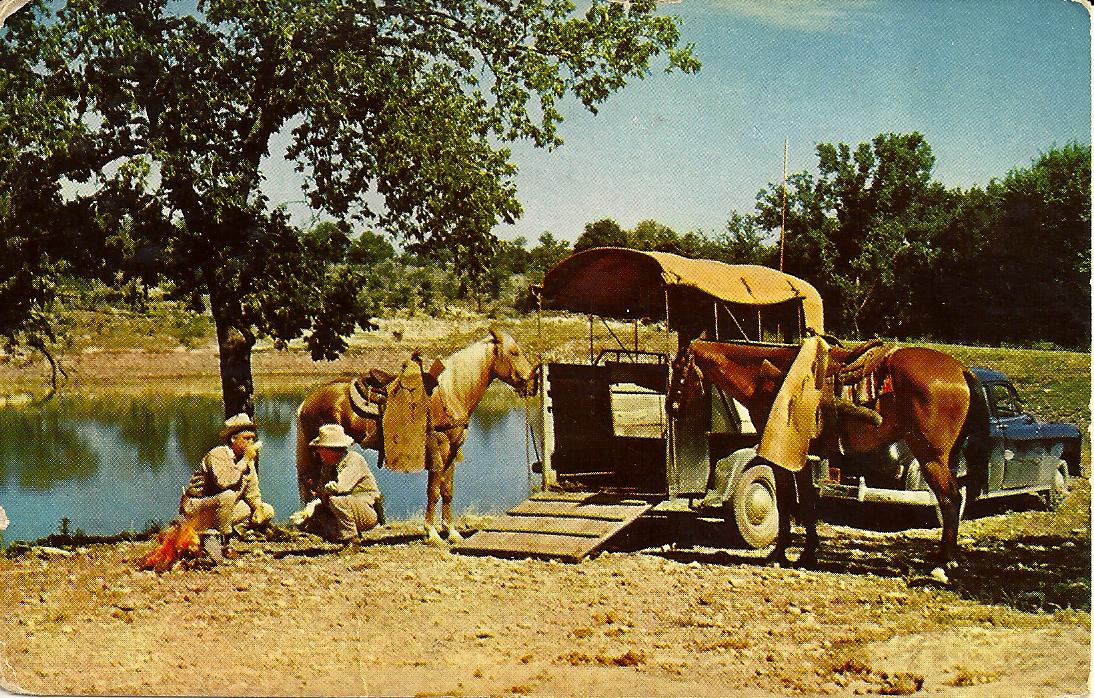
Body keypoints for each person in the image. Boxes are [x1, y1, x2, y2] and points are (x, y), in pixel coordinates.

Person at [179, 413, 275, 559]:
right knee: (228, 496)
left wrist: (258, 508)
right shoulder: (217, 454)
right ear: (233, 439)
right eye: (246, 438)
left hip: (221, 508)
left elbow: (251, 490)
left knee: (266, 509)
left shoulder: (246, 460)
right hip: (197, 508)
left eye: (252, 438)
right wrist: (245, 461)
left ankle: (224, 534)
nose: (251, 442)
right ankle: (225, 545)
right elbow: (224, 482)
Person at [297, 423, 382, 543]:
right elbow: (324, 486)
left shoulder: (354, 460)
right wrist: (315, 488)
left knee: (335, 500)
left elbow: (341, 488)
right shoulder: (328, 465)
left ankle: (351, 540)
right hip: (350, 507)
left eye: (320, 448)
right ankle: (337, 535)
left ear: (331, 450)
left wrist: (323, 491)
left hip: (367, 510)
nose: (318, 452)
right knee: (313, 519)